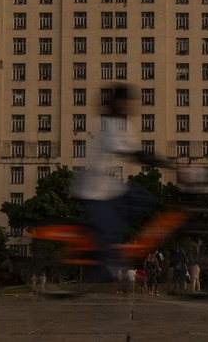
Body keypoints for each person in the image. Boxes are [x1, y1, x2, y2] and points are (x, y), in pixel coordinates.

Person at [71, 85, 172, 279]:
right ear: (118, 102)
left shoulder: (121, 124)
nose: (130, 107)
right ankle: (103, 262)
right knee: (110, 232)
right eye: (127, 102)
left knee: (144, 200)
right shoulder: (107, 124)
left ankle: (115, 243)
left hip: (111, 186)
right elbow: (134, 154)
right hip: (96, 189)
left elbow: (136, 152)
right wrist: (169, 165)